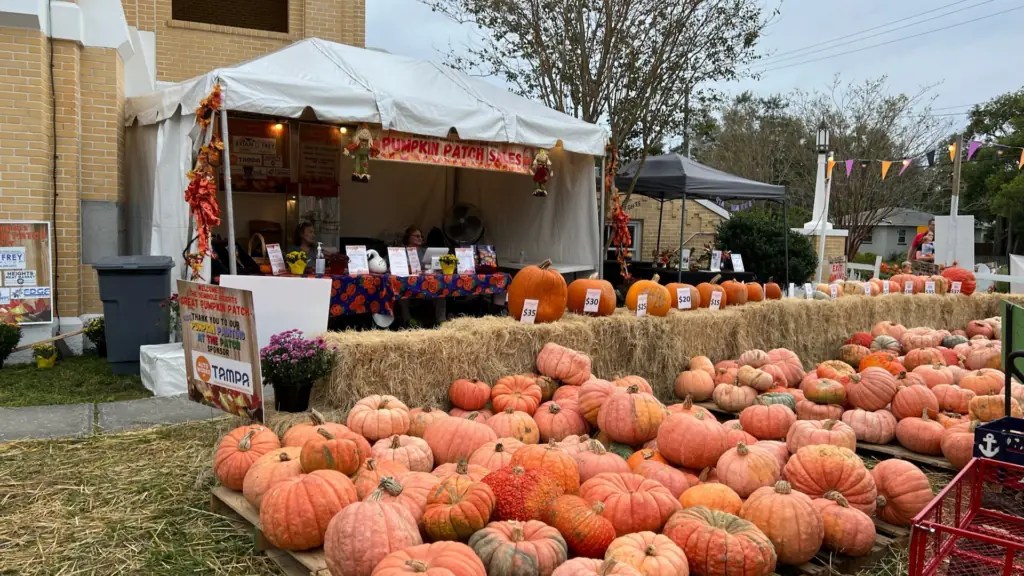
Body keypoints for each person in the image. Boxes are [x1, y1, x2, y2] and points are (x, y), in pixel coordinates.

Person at [397, 225, 446, 327]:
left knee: (440, 290)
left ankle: (441, 321)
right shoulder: (399, 252)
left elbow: (431, 267)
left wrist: (437, 267)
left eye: (421, 236)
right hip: (407, 286)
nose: (420, 238)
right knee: (402, 291)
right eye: (417, 236)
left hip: (425, 286)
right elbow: (389, 265)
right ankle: (408, 320)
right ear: (408, 237)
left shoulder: (425, 251)